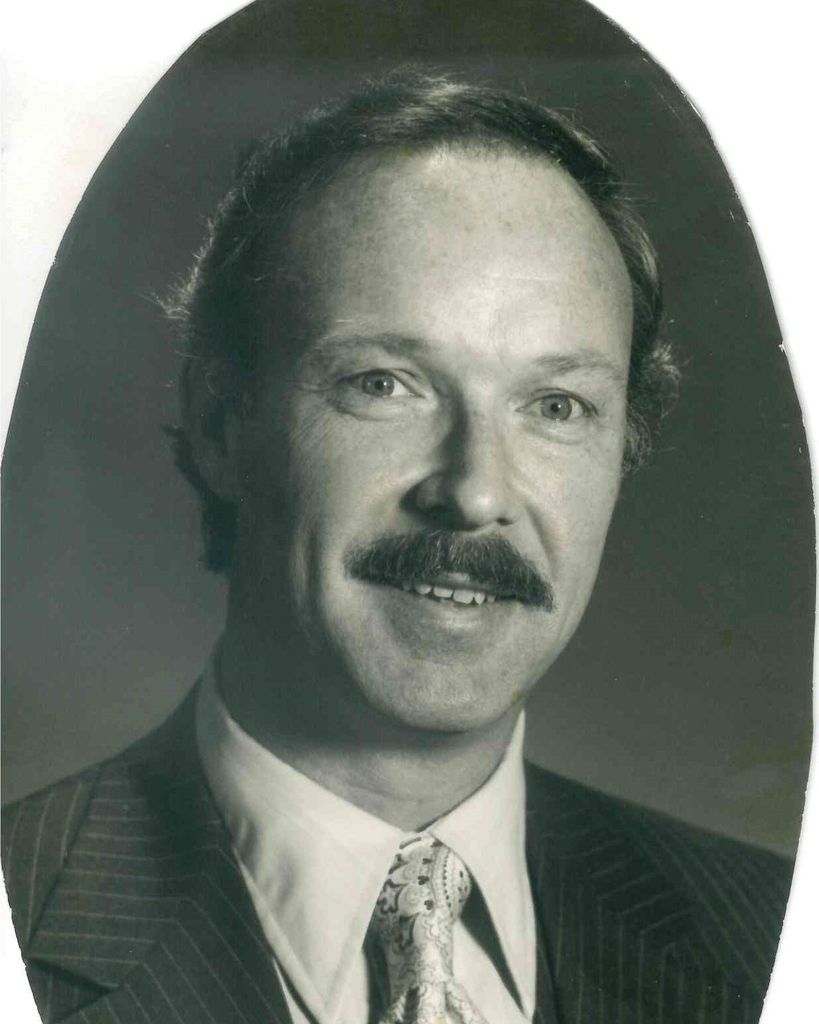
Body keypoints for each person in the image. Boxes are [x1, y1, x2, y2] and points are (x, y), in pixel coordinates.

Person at [1, 71, 792, 1024]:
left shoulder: (771, 935)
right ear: (220, 426)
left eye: (555, 406)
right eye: (384, 384)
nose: (475, 492)